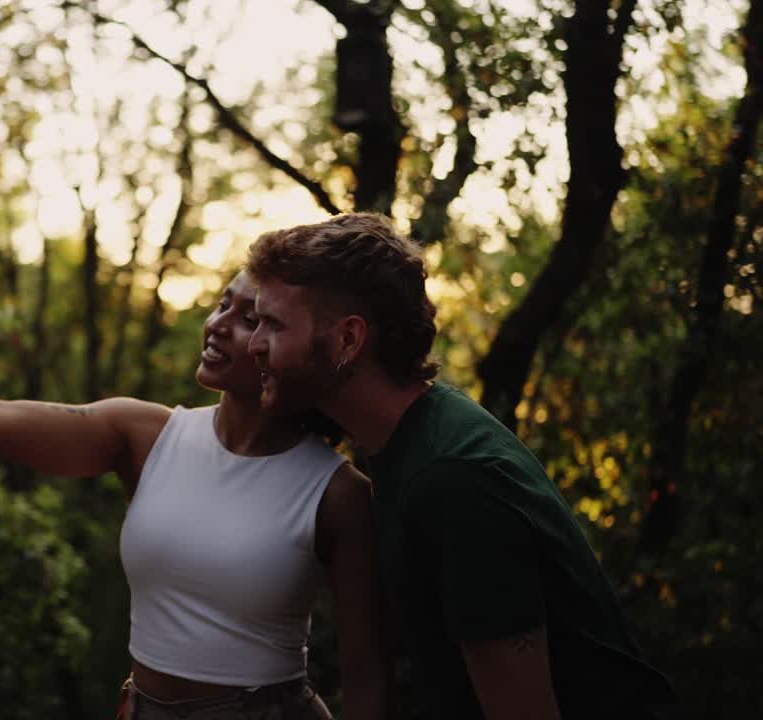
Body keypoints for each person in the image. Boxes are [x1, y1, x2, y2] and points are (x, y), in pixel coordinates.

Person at [0, 232, 390, 719]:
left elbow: (368, 679)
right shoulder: (145, 437)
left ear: (294, 340)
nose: (220, 325)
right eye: (221, 303)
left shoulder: (337, 494)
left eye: (253, 318)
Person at [243, 212, 678, 719]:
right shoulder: (407, 438)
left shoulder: (453, 477)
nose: (254, 344)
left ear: (347, 341)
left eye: (273, 324)